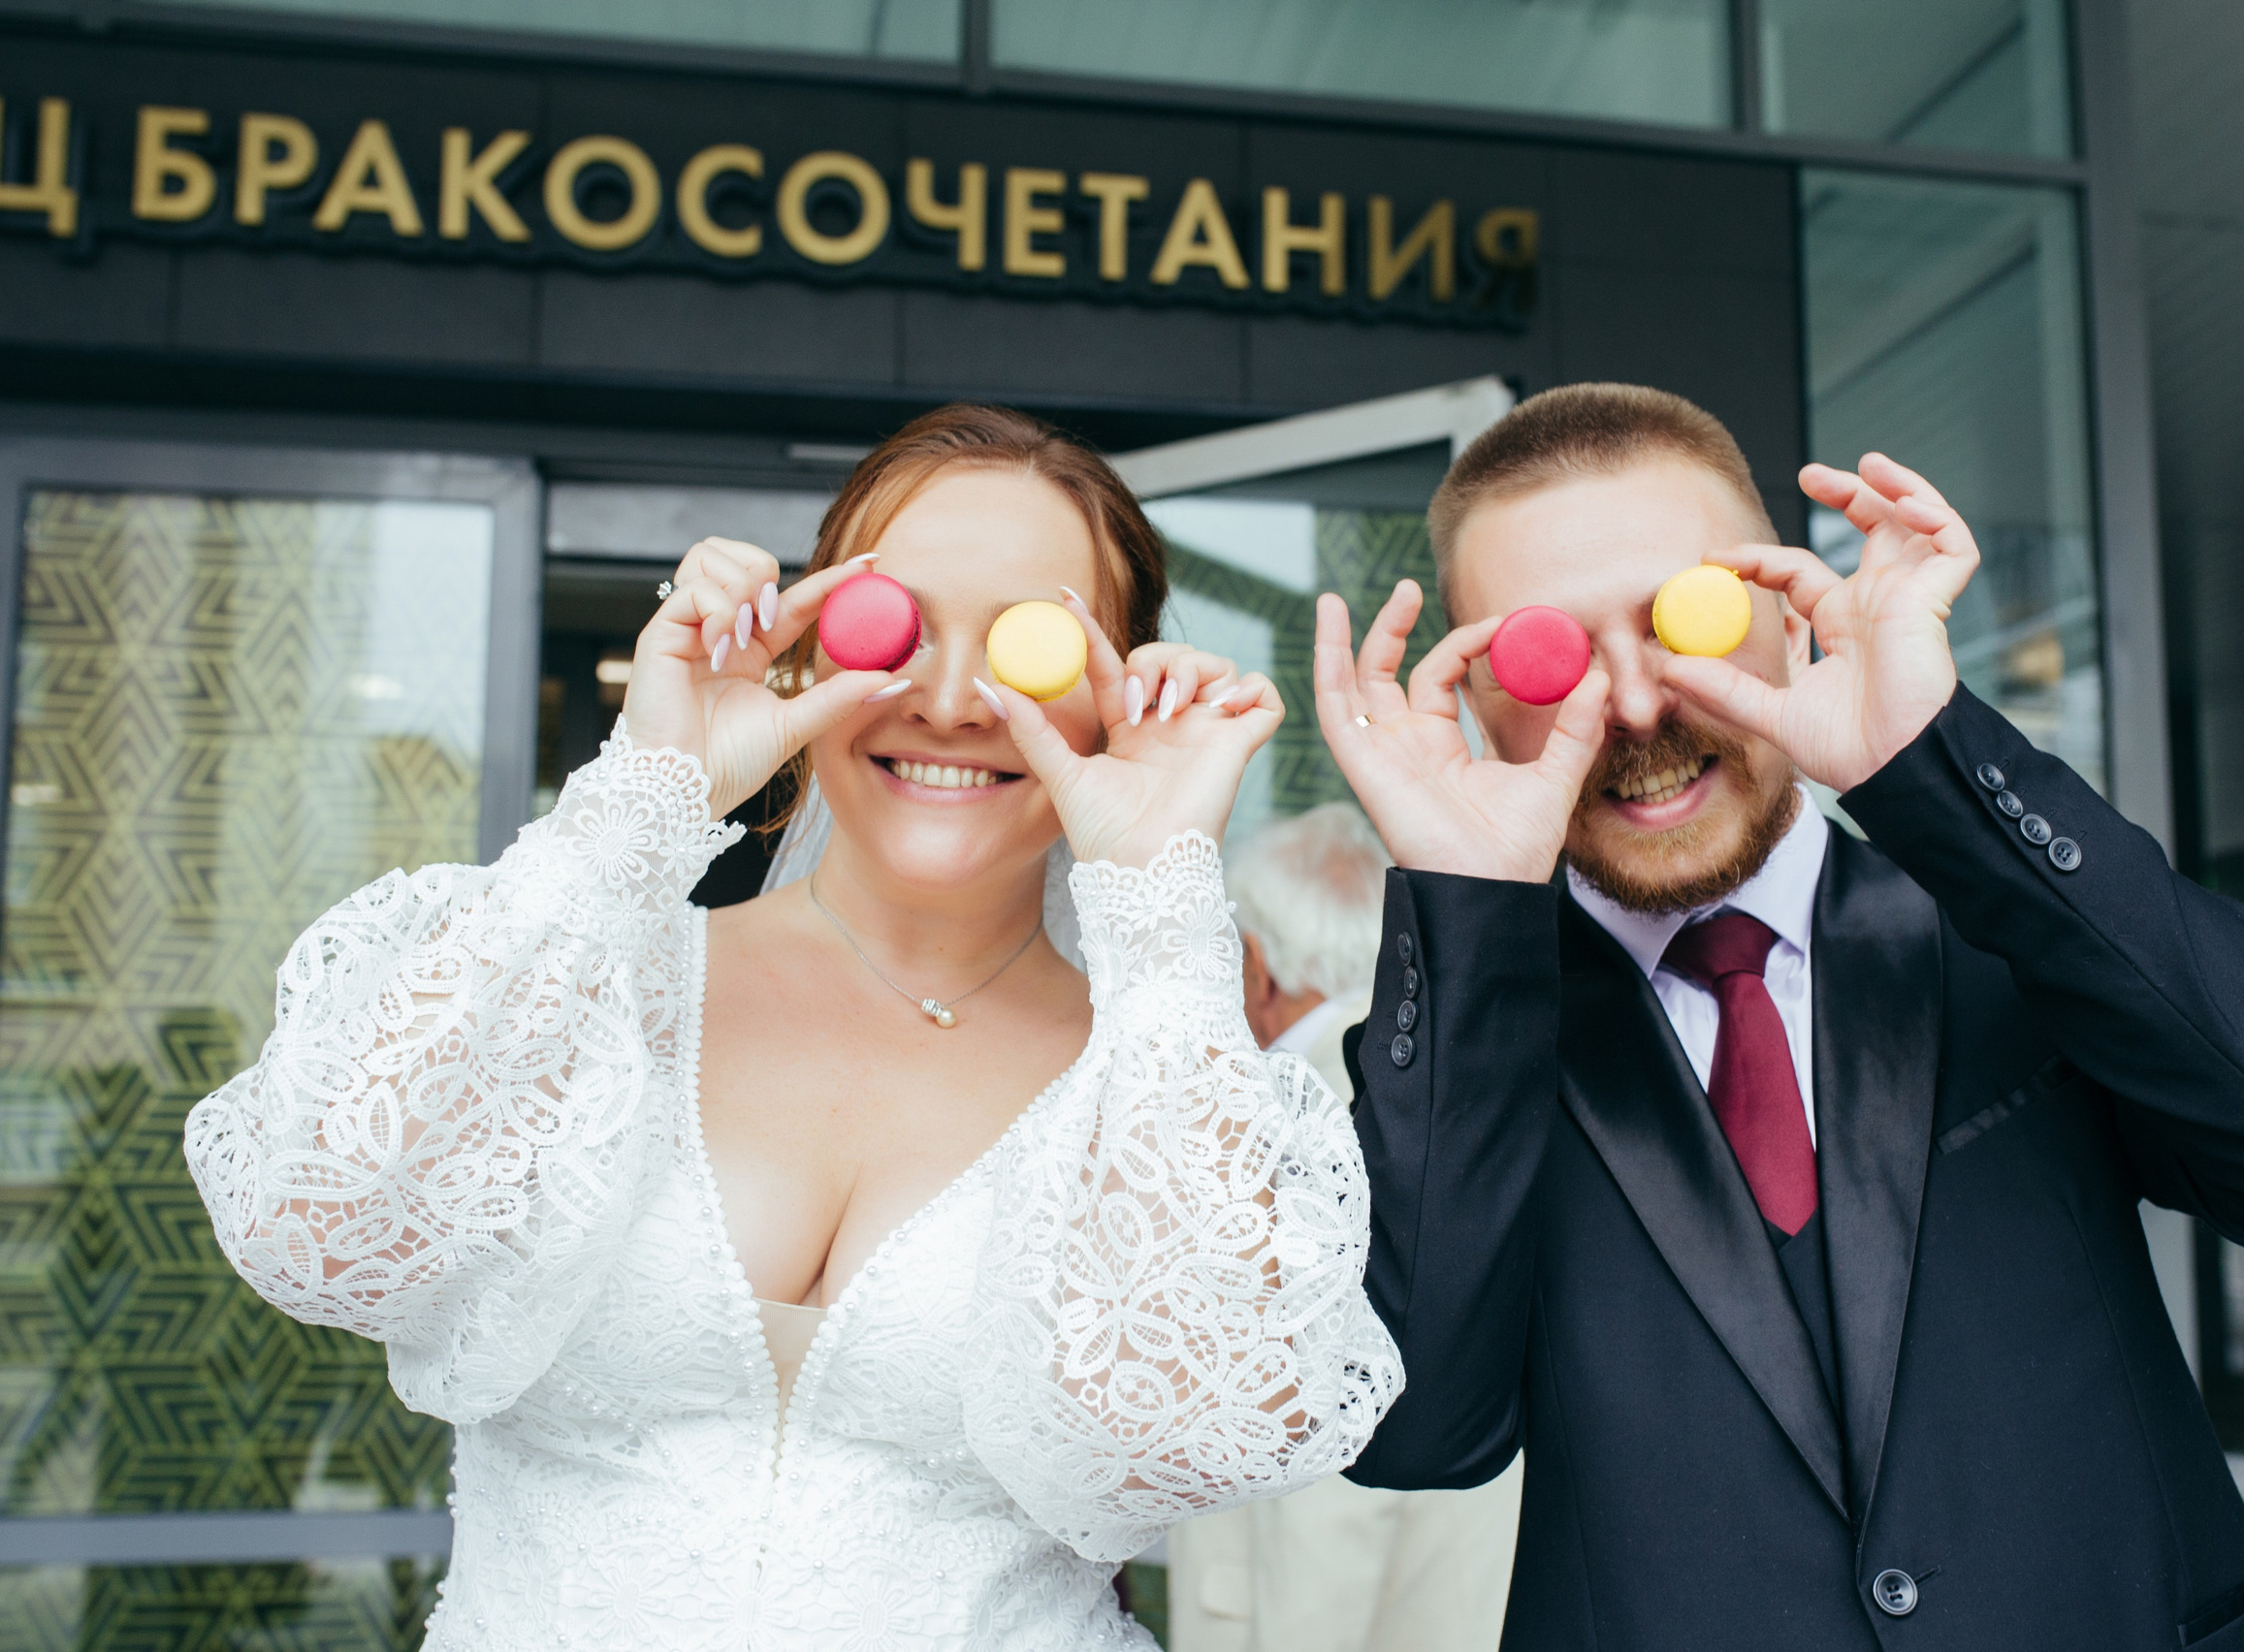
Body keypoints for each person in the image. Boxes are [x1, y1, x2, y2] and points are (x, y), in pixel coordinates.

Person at [183, 404, 1402, 1651]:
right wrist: (642, 802)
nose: (945, 698)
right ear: (810, 650)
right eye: (894, 627)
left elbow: (1202, 1441)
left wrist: (1159, 897)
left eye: (1027, 647)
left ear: (1120, 688)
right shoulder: (600, 982)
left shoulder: (1154, 1067)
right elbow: (316, 1226)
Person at [1313, 383, 2244, 1649]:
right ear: (1470, 690)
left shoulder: (2013, 923)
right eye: (1546, 655)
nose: (1630, 705)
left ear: (1792, 613)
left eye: (1688, 617)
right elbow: (1414, 1433)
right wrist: (1463, 913)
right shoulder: (1470, 1037)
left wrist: (1935, 758)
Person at [1171, 802, 1522, 1652]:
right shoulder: (1443, 1113)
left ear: (1254, 967)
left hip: (1315, 1614)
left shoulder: (1297, 1131)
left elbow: (1324, 1488)